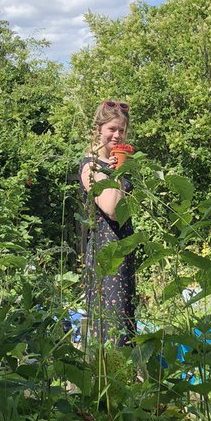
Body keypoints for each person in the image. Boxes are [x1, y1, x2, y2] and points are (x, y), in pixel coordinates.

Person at [79, 100, 136, 348]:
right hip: (106, 254)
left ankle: (126, 381)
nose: (116, 135)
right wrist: (119, 172)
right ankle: (106, 381)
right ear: (99, 130)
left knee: (125, 321)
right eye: (112, 128)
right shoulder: (91, 166)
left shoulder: (114, 164)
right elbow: (112, 209)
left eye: (121, 130)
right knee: (111, 330)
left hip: (123, 252)